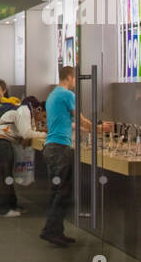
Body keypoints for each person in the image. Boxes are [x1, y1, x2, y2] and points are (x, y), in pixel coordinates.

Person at [40, 65, 101, 247]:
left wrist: (87, 129)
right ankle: (51, 230)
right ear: (69, 76)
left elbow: (68, 123)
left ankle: (56, 230)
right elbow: (80, 119)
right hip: (60, 148)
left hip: (51, 146)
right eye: (75, 78)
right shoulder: (67, 95)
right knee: (63, 191)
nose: (75, 83)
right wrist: (99, 129)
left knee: (56, 190)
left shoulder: (53, 95)